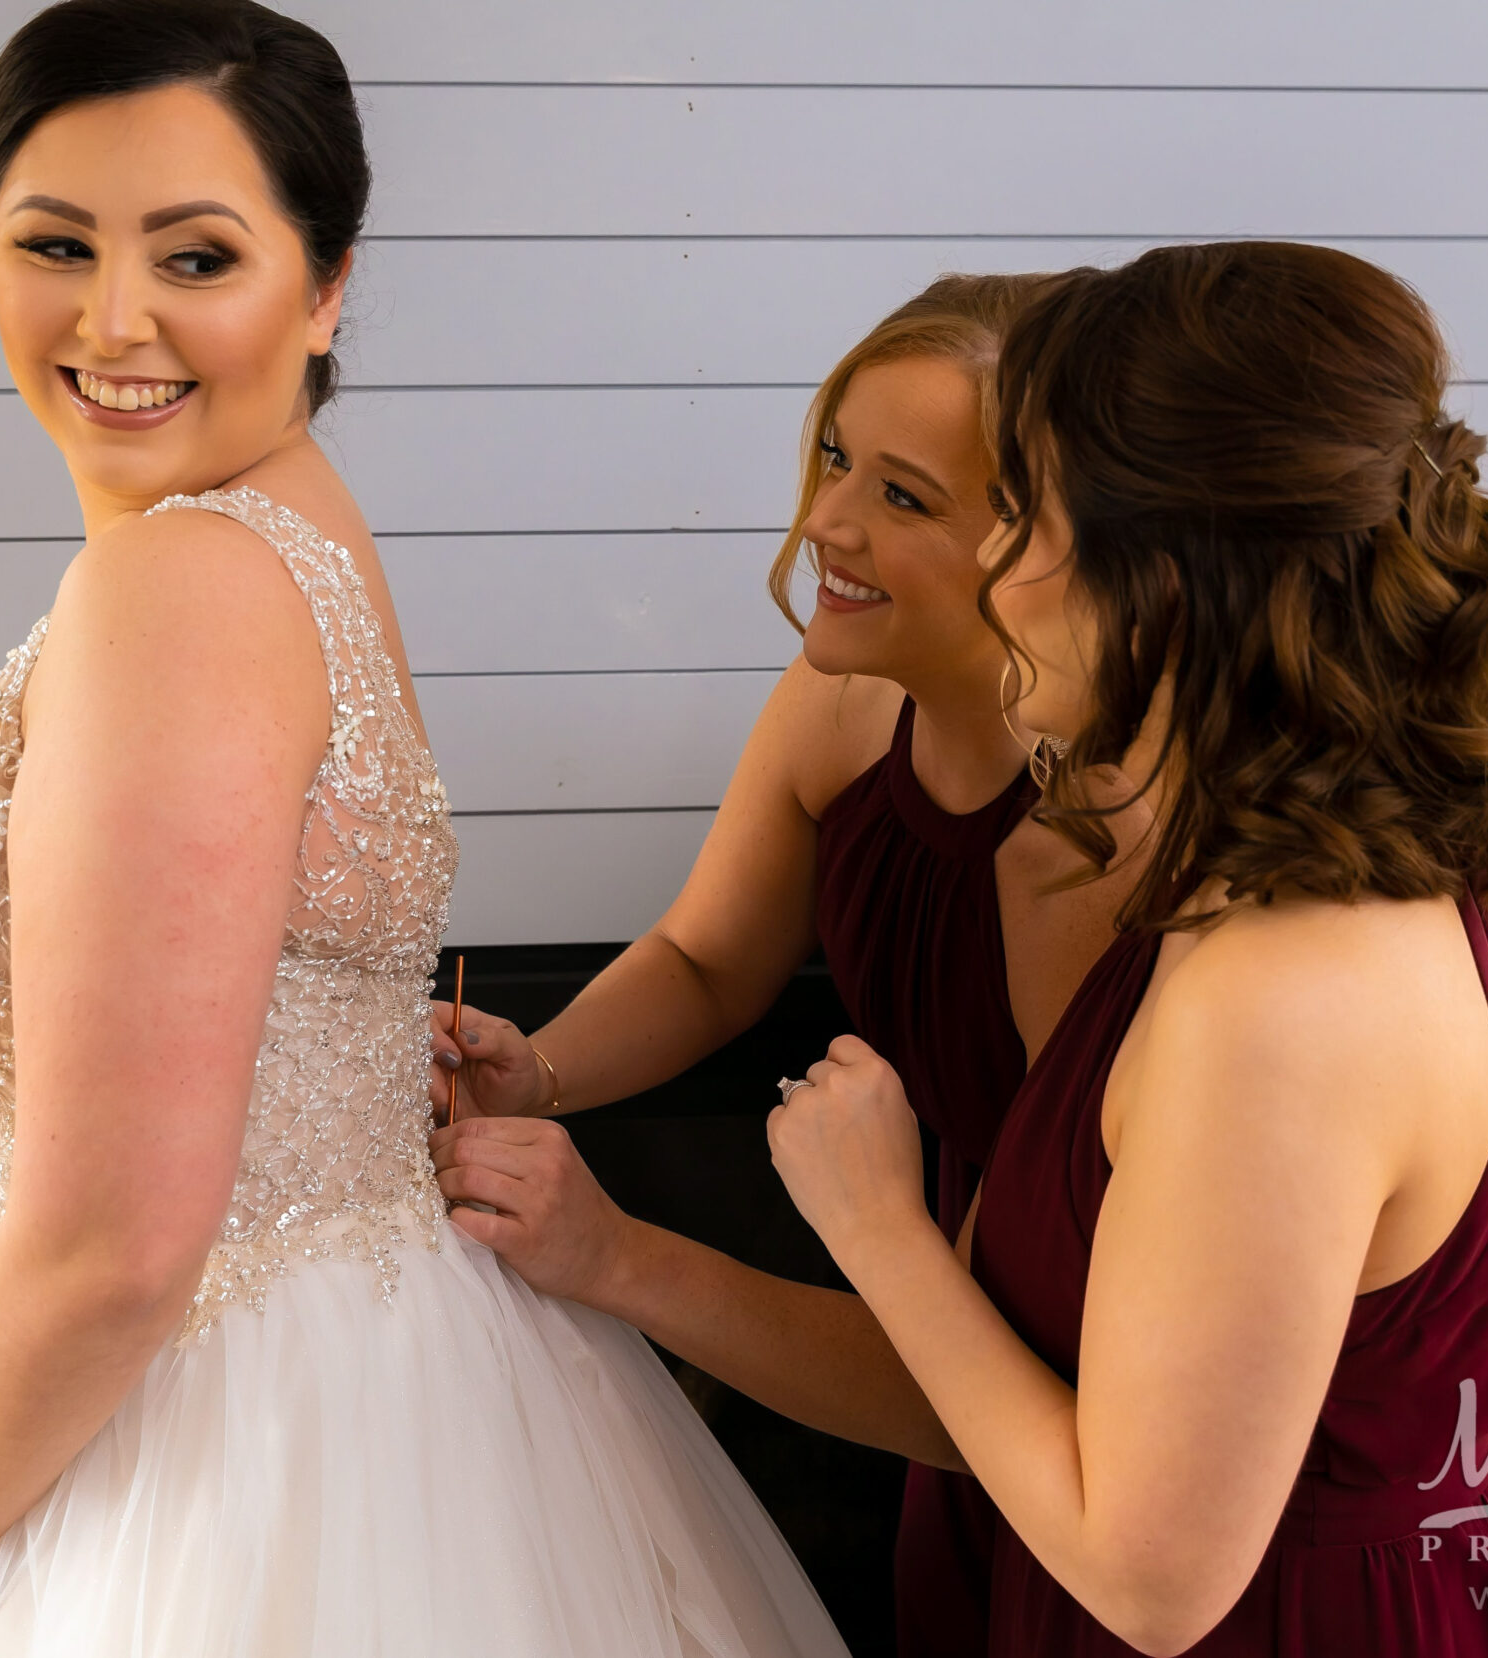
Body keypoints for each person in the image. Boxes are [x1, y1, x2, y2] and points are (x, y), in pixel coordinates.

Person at [0, 0, 847, 1658]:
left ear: (328, 284)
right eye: (54, 244)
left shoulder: (185, 588)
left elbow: (125, 1238)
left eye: (196, 258)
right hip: (352, 1384)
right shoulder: (288, 534)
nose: (116, 320)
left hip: (201, 1437)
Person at [765, 242, 1488, 1655]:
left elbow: (1155, 1579)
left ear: (1165, 578)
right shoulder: (1353, 849)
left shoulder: (1284, 991)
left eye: (1021, 518)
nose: (998, 574)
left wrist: (877, 1225)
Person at [426, 273, 1138, 1657]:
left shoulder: (1107, 831)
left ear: (1038, 544)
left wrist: (621, 1254)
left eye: (904, 494)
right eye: (833, 457)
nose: (827, 522)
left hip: (1030, 1341)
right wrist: (545, 1067)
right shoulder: (838, 698)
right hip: (893, 1311)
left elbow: (1020, 1352)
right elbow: (705, 959)